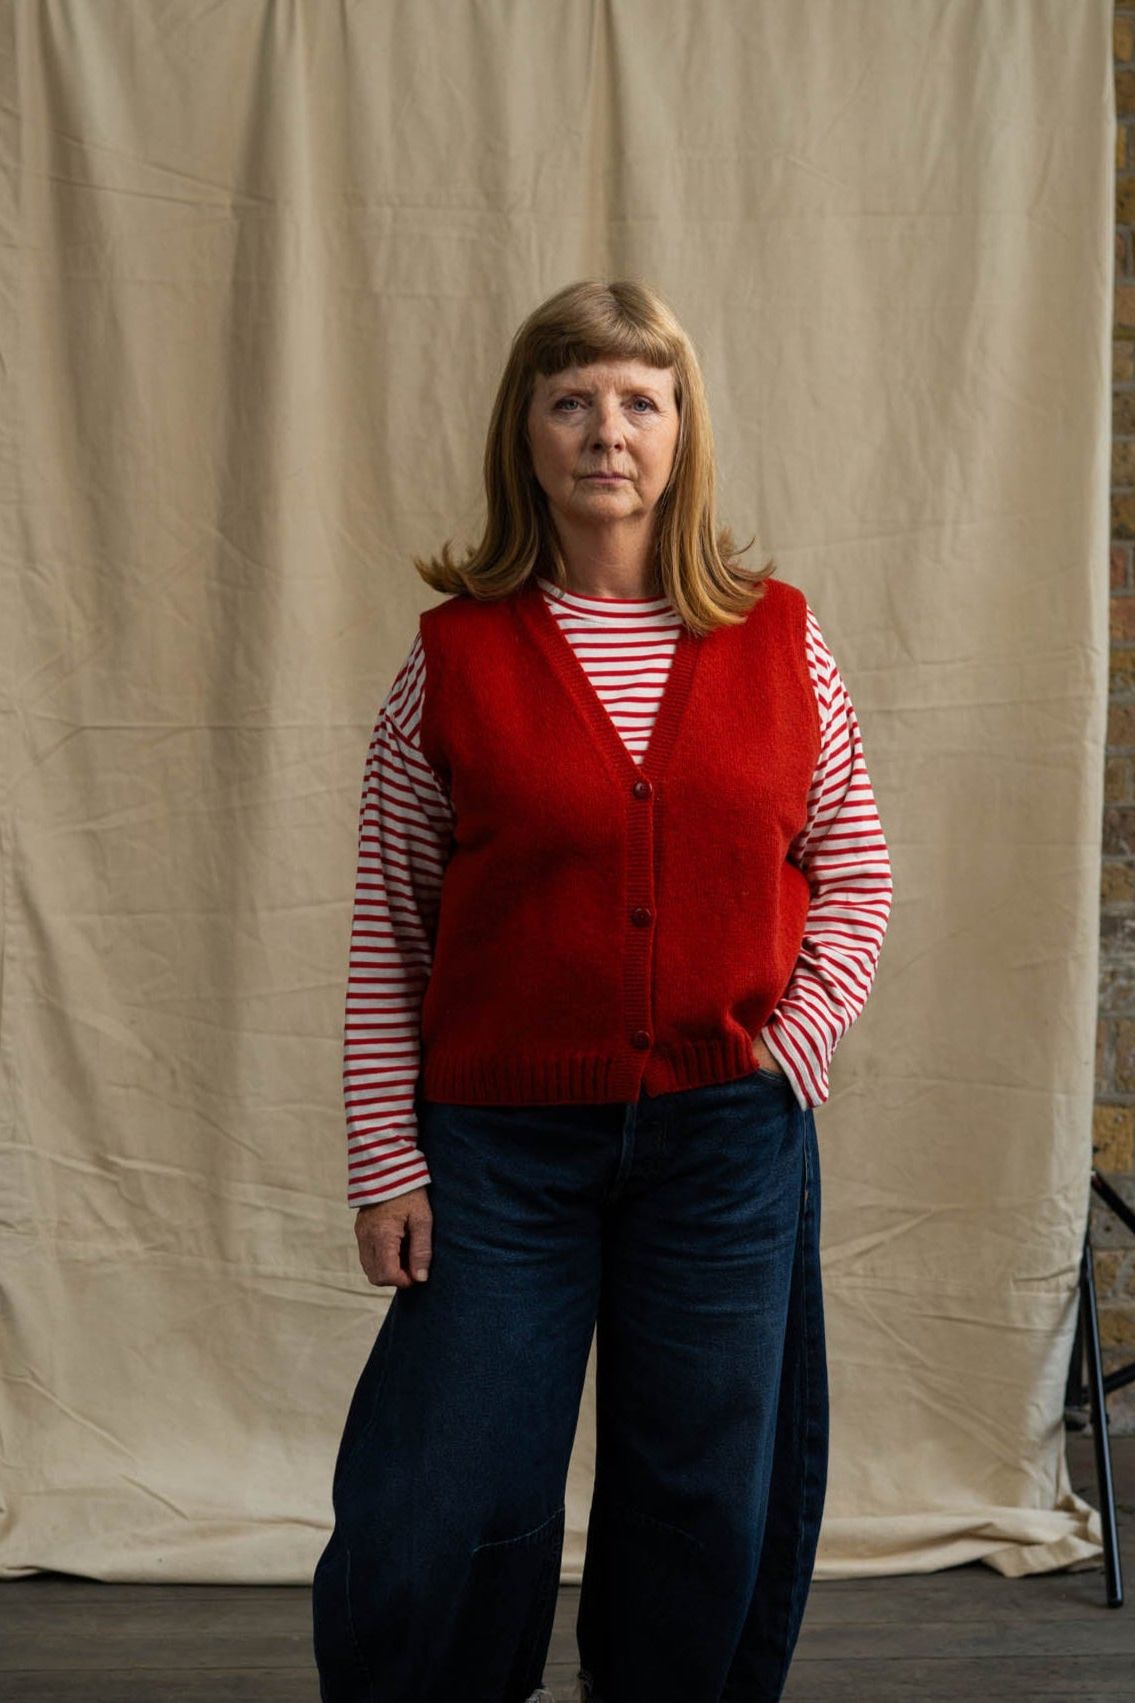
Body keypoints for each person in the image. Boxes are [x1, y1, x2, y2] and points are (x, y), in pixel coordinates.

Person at [312, 279, 893, 1703]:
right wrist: (388, 1161)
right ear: (527, 432)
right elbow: (392, 927)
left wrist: (793, 1044)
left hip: (722, 1147)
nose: (606, 432)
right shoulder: (448, 662)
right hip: (500, 1154)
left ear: (685, 432)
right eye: (571, 400)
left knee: (704, 1505)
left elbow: (856, 866)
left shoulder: (782, 642)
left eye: (642, 399)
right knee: (445, 1501)